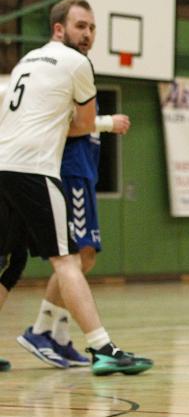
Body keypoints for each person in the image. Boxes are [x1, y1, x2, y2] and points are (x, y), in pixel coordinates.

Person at [0, 0, 153, 376]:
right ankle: (102, 347)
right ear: (58, 29)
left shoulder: (26, 62)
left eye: (91, 27)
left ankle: (56, 335)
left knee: (11, 261)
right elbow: (81, 126)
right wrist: (106, 122)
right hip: (34, 169)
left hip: (3, 165)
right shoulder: (76, 64)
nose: (87, 34)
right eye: (80, 26)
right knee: (68, 260)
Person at [17, 95, 131, 368]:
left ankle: (58, 334)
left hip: (83, 172)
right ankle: (42, 330)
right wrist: (106, 123)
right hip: (70, 172)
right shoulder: (63, 81)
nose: (86, 48)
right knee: (77, 254)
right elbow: (61, 125)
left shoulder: (82, 81)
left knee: (84, 256)